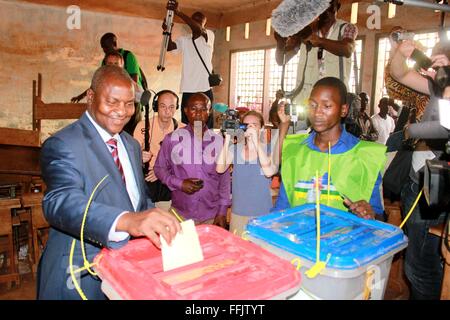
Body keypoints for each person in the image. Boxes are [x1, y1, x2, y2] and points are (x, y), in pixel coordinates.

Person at [37, 65, 181, 300]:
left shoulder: (131, 145)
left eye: (128, 103)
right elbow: (60, 202)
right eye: (112, 102)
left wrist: (155, 218)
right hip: (79, 272)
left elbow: (137, 198)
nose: (122, 112)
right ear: (91, 97)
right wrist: (126, 220)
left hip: (121, 268)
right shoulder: (64, 144)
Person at [272, 77, 386, 221]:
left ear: (343, 110)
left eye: (327, 106)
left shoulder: (365, 157)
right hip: (300, 240)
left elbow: (378, 216)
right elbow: (282, 207)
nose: (317, 113)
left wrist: (369, 214)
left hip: (343, 241)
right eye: (312, 105)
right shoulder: (294, 151)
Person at [389, 38, 449, 300]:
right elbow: (399, 73)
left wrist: (446, 83)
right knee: (416, 257)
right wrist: (400, 54)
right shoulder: (435, 87)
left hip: (435, 187)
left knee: (421, 267)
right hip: (416, 182)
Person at [154, 93, 231, 228]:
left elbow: (224, 178)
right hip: (180, 215)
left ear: (209, 111)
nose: (198, 114)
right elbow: (159, 169)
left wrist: (222, 211)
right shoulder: (172, 139)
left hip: (211, 216)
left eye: (203, 109)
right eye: (194, 109)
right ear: (186, 111)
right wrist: (179, 183)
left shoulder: (219, 141)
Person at [274, 0, 357, 107]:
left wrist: (318, 41)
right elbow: (282, 60)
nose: (325, 11)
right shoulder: (305, 31)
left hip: (332, 101)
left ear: (338, 6)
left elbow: (347, 49)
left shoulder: (346, 28)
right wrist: (280, 43)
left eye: (330, 6)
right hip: (304, 102)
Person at [216, 111, 287, 235]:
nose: (250, 128)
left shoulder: (269, 149)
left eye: (254, 125)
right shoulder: (236, 148)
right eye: (246, 125)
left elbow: (269, 171)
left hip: (262, 214)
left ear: (262, 128)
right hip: (238, 213)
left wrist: (257, 142)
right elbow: (220, 168)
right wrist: (227, 139)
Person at [71, 33, 145, 135]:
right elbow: (99, 82)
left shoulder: (128, 56)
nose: (104, 50)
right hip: (114, 101)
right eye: (103, 47)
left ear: (114, 43)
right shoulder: (105, 61)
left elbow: (132, 84)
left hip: (132, 102)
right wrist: (81, 96)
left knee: (130, 133)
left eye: (106, 46)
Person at [164, 0, 215, 128]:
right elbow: (170, 47)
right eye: (195, 20)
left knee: (204, 123)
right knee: (187, 123)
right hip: (188, 88)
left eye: (200, 21)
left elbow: (198, 29)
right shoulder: (184, 39)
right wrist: (167, 31)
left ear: (204, 24)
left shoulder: (208, 35)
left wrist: (179, 12)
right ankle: (188, 146)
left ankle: (205, 146)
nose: (197, 22)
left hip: (204, 88)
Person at [133, 90, 185, 211]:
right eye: (163, 106)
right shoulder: (143, 126)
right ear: (156, 107)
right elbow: (132, 154)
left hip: (169, 177)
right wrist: (139, 156)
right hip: (146, 177)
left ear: (176, 107)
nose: (167, 111)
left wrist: (161, 172)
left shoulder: (183, 130)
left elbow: (184, 163)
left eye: (172, 107)